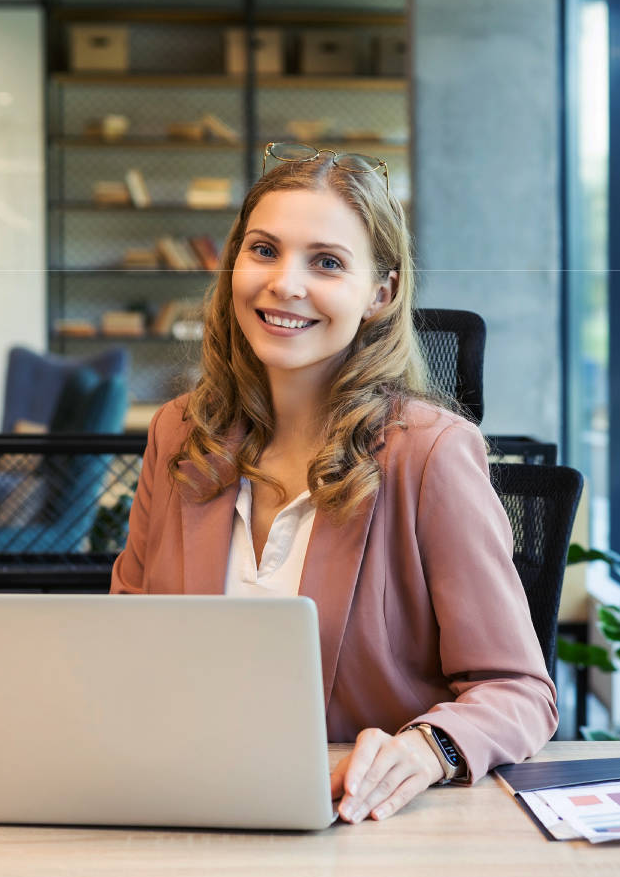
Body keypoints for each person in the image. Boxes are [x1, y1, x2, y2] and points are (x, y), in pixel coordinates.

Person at [110, 144, 557, 824]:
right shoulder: (179, 433)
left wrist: (428, 748)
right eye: (263, 250)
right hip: (187, 809)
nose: (284, 284)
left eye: (325, 261)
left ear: (379, 291)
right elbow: (123, 642)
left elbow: (518, 689)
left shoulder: (430, 454)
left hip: (360, 825)